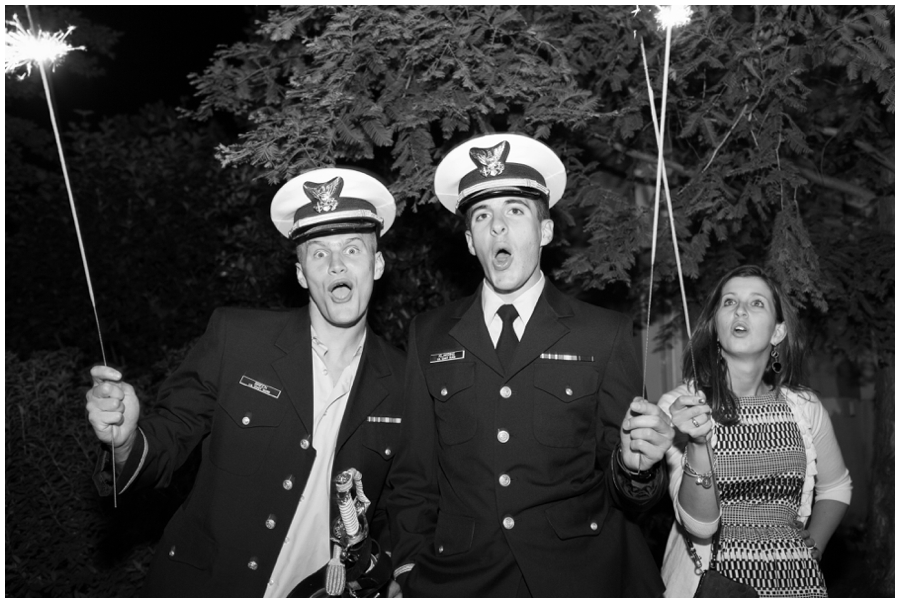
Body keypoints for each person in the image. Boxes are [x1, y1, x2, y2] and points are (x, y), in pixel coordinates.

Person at [85, 168, 407, 597]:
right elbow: (169, 435)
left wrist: (398, 573)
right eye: (318, 253)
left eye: (352, 249)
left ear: (378, 264)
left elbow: (401, 503)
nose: (336, 265)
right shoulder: (237, 338)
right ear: (299, 273)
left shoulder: (404, 379)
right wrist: (124, 442)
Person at [386, 133, 674, 597]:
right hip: (462, 579)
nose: (498, 228)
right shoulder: (430, 334)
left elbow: (629, 490)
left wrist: (636, 467)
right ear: (468, 240)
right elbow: (414, 477)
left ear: (544, 232)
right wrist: (407, 570)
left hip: (580, 576)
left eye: (515, 212)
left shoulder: (603, 333)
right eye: (483, 216)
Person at [657, 264, 852, 597]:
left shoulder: (804, 408)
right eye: (729, 302)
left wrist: (814, 545)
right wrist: (697, 443)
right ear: (717, 328)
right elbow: (698, 526)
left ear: (778, 333)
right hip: (713, 586)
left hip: (795, 585)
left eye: (757, 303)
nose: (741, 309)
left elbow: (837, 487)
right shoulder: (682, 408)